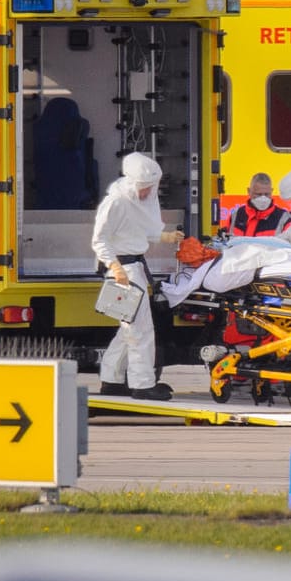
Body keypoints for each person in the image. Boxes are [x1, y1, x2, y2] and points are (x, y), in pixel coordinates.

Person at [91, 152, 182, 401]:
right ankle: (143, 384)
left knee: (128, 328)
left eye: (149, 188)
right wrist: (115, 266)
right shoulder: (116, 202)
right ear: (131, 182)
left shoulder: (134, 202)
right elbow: (99, 240)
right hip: (124, 270)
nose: (146, 193)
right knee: (140, 329)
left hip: (133, 269)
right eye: (143, 188)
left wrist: (164, 236)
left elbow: (141, 229)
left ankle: (112, 379)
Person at [223, 172, 291, 237]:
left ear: (271, 191)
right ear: (249, 191)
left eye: (266, 194)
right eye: (258, 194)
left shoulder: (284, 219)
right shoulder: (236, 216)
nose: (263, 198)